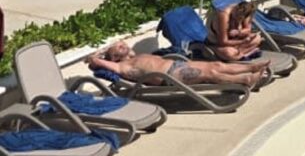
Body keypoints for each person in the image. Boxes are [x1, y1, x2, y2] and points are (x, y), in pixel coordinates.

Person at [88, 41, 270, 90]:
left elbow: (124, 44)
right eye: (117, 48)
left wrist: (119, 48)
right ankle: (246, 79)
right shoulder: (121, 67)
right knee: (211, 73)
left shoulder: (135, 56)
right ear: (113, 58)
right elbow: (94, 61)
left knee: (216, 64)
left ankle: (251, 68)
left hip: (175, 65)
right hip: (170, 76)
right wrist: (99, 56)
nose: (122, 44)